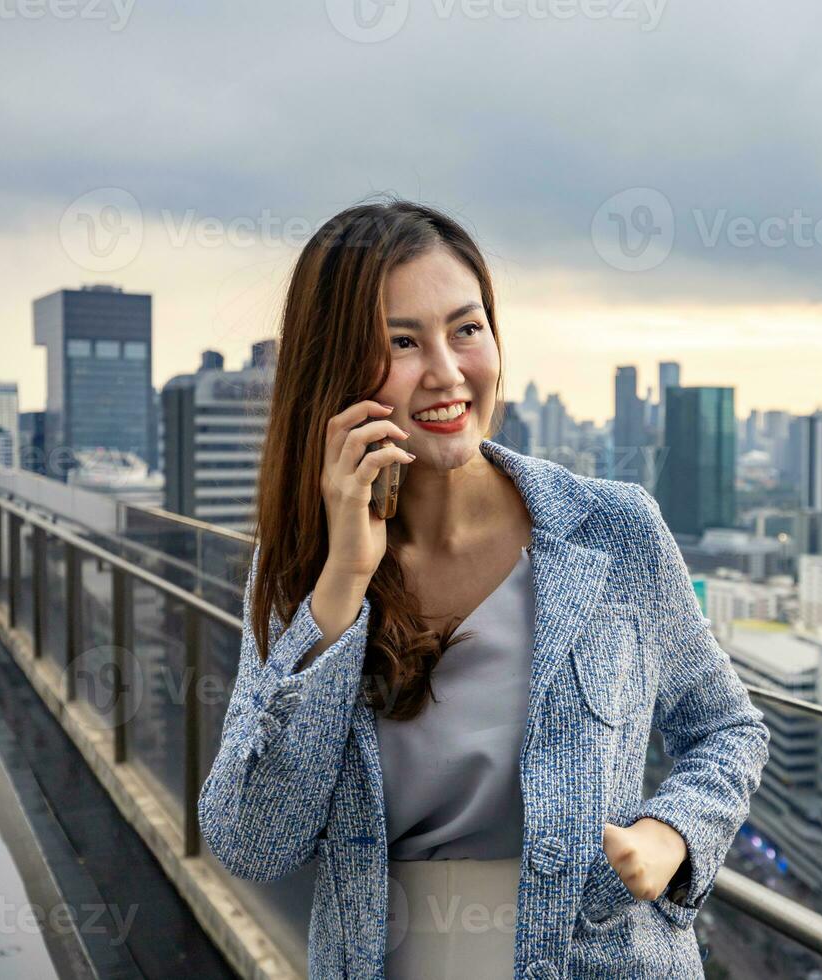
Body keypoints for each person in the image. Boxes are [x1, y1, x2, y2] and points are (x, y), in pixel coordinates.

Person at [197, 198, 770, 979]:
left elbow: (727, 728)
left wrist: (672, 832)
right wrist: (343, 584)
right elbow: (254, 840)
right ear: (335, 369)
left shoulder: (611, 530)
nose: (447, 371)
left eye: (466, 329)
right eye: (402, 342)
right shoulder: (301, 566)